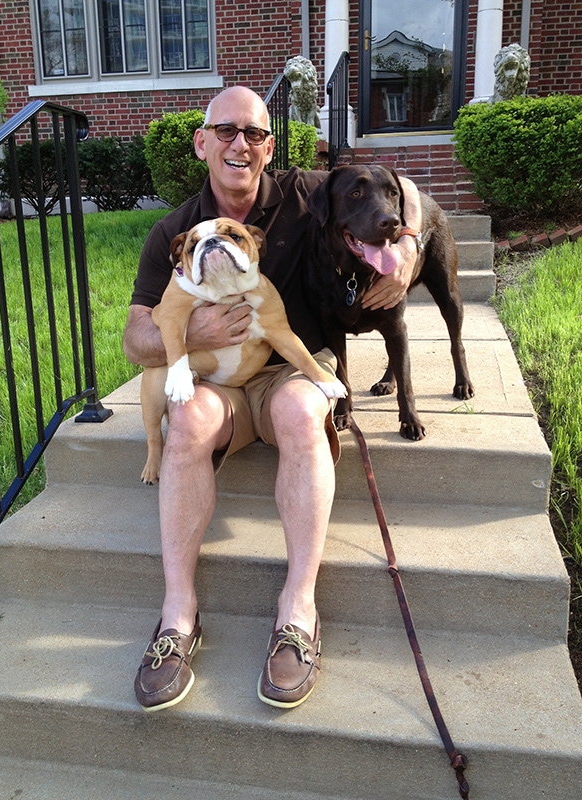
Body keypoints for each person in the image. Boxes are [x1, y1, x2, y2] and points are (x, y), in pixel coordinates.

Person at [123, 85, 422, 712]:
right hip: (222, 382)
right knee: (188, 419)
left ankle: (298, 612)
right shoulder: (174, 230)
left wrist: (409, 245)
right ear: (202, 142)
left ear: (269, 145)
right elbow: (134, 338)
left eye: (255, 134)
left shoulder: (305, 190)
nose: (241, 144)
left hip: (294, 365)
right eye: (226, 131)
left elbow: (400, 188)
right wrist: (193, 332)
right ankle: (178, 615)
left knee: (298, 409)